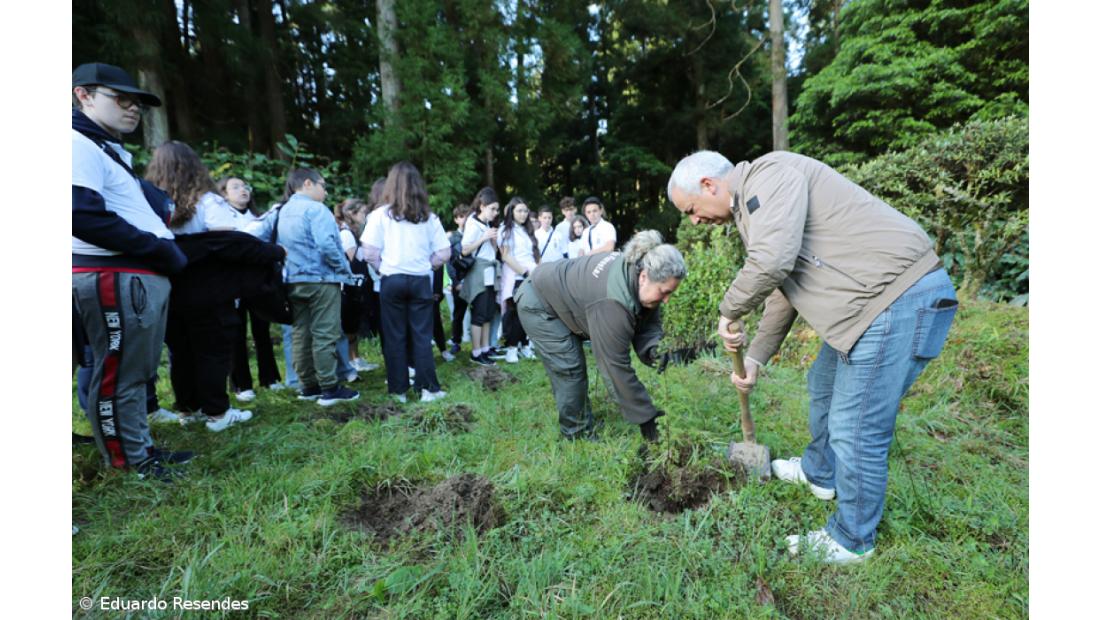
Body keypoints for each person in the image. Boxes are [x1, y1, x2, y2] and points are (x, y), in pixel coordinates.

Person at [667, 149, 959, 565]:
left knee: (855, 428)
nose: (694, 221)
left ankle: (852, 539)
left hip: (897, 301)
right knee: (821, 384)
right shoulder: (756, 209)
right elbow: (782, 290)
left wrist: (729, 309)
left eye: (692, 209)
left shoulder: (770, 175)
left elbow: (772, 261)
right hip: (867, 310)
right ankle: (821, 473)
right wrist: (756, 358)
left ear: (709, 186)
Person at [71, 62, 192, 480]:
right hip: (115, 273)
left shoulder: (100, 146)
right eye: (120, 98)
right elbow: (79, 214)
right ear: (83, 94)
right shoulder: (74, 142)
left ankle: (140, 449)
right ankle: (131, 463)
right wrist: (156, 248)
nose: (133, 107)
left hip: (133, 275)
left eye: (137, 101)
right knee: (118, 372)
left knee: (135, 372)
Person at [515, 230, 685, 441]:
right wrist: (647, 418)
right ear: (643, 277)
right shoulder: (612, 303)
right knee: (570, 367)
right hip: (539, 302)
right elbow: (614, 367)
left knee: (573, 364)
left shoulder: (640, 274)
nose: (667, 300)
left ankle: (580, 420)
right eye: (664, 292)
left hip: (568, 298)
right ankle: (577, 434)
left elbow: (647, 326)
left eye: (671, 293)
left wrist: (658, 351)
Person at [146, 141, 256, 431]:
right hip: (209, 288)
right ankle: (217, 414)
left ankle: (188, 408)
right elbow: (226, 243)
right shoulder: (209, 201)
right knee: (212, 350)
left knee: (180, 350)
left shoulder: (149, 201)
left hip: (168, 287)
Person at [248, 168, 360, 406]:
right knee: (325, 333)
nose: (326, 191)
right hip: (321, 280)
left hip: (292, 281)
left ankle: (308, 386)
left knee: (300, 332)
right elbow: (327, 245)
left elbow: (252, 234)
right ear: (307, 183)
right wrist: (344, 272)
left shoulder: (280, 210)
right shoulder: (316, 209)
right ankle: (330, 388)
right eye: (323, 185)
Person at [361, 161, 451, 403]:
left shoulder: (379, 215)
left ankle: (398, 391)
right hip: (421, 280)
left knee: (394, 336)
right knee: (422, 336)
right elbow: (444, 253)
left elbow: (368, 251)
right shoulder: (429, 217)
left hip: (392, 280)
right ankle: (428, 390)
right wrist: (426, 264)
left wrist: (384, 268)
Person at [218, 176, 284, 401]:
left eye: (245, 186)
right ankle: (241, 384)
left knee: (262, 329)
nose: (242, 190)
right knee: (236, 332)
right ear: (224, 194)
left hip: (257, 282)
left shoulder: (258, 217)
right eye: (235, 187)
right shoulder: (221, 218)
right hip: (233, 282)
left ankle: (270, 378)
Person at [335, 197, 379, 373]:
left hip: (357, 285)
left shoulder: (354, 232)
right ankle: (350, 360)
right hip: (349, 286)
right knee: (349, 324)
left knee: (353, 323)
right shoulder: (346, 234)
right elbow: (352, 260)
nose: (365, 216)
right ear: (352, 214)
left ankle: (355, 357)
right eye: (362, 212)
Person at [459, 188, 501, 366]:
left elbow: (494, 251)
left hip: (490, 272)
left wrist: (492, 241)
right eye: (492, 209)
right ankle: (475, 352)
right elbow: (465, 249)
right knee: (479, 312)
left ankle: (485, 349)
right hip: (478, 271)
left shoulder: (487, 225)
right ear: (482, 207)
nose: (495, 213)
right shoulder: (472, 223)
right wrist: (484, 238)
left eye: (497, 209)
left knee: (488, 312)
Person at [498, 197, 540, 362]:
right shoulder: (506, 229)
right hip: (516, 276)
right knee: (515, 314)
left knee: (528, 312)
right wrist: (523, 273)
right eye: (519, 211)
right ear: (511, 212)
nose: (523, 214)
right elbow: (506, 256)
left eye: (525, 211)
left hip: (531, 275)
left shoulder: (526, 230)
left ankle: (523, 345)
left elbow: (532, 254)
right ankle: (511, 349)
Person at [445, 204, 472, 355]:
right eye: (461, 216)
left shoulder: (475, 235)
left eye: (467, 216)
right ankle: (456, 341)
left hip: (474, 278)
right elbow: (449, 262)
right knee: (459, 313)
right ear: (456, 219)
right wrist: (455, 282)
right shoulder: (453, 238)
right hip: (459, 281)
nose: (465, 219)